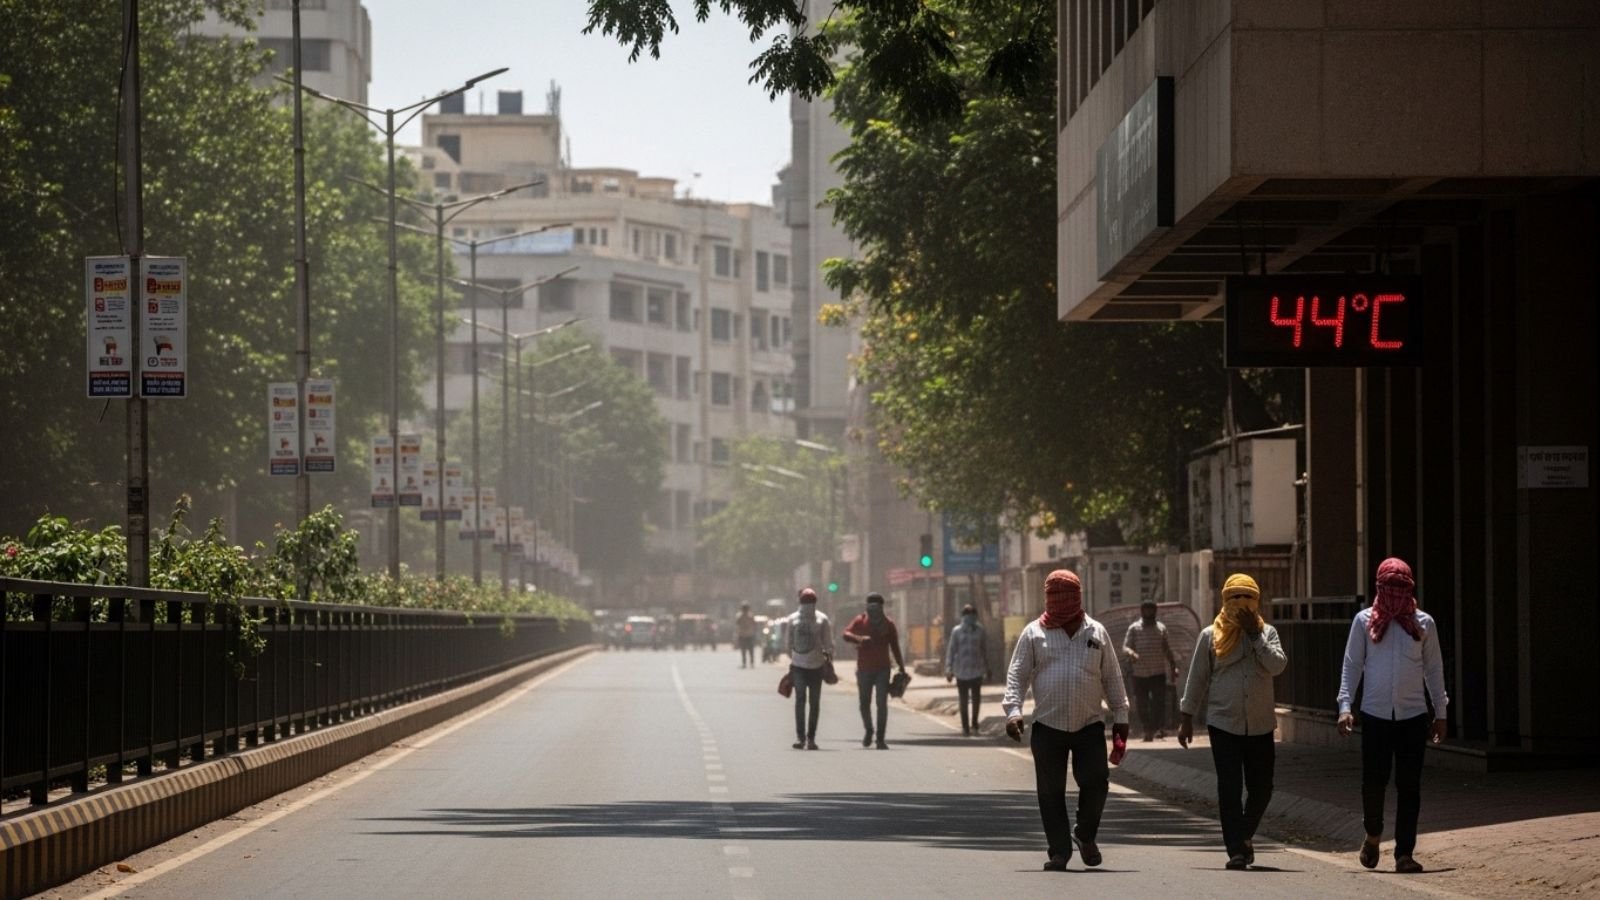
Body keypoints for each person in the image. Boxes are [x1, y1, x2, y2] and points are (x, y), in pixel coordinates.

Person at [1004, 569, 1131, 871]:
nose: (1061, 601)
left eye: (1067, 594)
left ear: (1078, 596)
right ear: (1047, 597)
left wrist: (1121, 715)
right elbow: (1017, 674)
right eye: (1054, 595)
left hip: (1089, 724)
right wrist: (1013, 712)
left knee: (1096, 782)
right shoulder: (1034, 632)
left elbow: (1112, 676)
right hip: (1048, 726)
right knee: (1050, 792)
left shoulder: (1096, 632)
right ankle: (1059, 851)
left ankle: (1084, 834)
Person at [1337, 557, 1449, 875]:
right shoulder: (1364, 622)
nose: (1395, 596)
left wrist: (1440, 712)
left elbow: (1434, 669)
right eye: (1390, 589)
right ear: (1379, 589)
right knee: (1374, 782)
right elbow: (1351, 665)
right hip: (1374, 716)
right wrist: (1345, 707)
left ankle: (1404, 853)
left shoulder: (1423, 624)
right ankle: (1373, 835)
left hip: (1413, 716)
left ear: (1410, 589)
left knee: (1409, 786)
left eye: (1401, 589)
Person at [1178, 574, 1288, 870]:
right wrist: (1186, 717)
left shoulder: (1269, 634)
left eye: (1246, 597)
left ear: (1256, 601)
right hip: (1223, 722)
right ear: (1224, 601)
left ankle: (1245, 834)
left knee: (1262, 788)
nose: (1241, 604)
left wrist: (1255, 636)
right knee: (1229, 787)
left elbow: (1277, 665)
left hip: (1261, 724)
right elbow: (1197, 678)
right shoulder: (1209, 636)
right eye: (1234, 597)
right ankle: (1236, 850)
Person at [842, 592, 907, 749]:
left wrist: (901, 667)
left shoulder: (888, 625)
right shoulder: (860, 621)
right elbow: (845, 634)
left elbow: (895, 647)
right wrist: (860, 639)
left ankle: (880, 738)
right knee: (864, 703)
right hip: (864, 669)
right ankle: (869, 730)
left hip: (882, 670)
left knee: (881, 703)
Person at [1123, 599, 1181, 741]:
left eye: (1151, 609)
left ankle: (1156, 728)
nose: (1149, 612)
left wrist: (1174, 667)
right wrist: (1132, 654)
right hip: (1139, 674)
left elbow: (1167, 649)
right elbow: (1125, 647)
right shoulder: (1134, 628)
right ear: (1142, 611)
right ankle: (1147, 729)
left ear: (1155, 611)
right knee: (1142, 704)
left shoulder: (1161, 628)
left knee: (1158, 704)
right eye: (1146, 610)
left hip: (1157, 673)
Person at [786, 587, 834, 750]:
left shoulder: (822, 619)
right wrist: (794, 659)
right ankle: (801, 738)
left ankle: (811, 738)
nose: (808, 604)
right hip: (799, 666)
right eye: (805, 601)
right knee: (800, 700)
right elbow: (788, 644)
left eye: (810, 601)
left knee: (814, 702)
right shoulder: (792, 619)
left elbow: (828, 643)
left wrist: (827, 660)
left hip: (816, 667)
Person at [944, 603, 990, 736]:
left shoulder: (980, 630)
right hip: (961, 672)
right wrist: (948, 669)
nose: (970, 618)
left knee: (976, 700)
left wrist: (987, 668)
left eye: (972, 615)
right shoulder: (956, 631)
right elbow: (951, 651)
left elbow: (984, 650)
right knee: (963, 701)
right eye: (967, 615)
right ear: (963, 616)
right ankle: (965, 727)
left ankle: (975, 725)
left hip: (977, 671)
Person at [735, 603, 758, 668]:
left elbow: (737, 624)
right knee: (747, 650)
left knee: (745, 650)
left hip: (745, 635)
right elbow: (754, 624)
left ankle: (748, 663)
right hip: (747, 635)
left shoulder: (742, 616)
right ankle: (750, 663)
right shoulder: (748, 616)